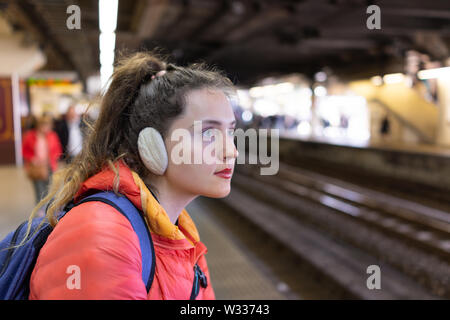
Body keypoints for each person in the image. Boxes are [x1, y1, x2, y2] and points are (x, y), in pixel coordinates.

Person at [27, 52, 238, 300]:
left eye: (231, 132)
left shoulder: (178, 229)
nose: (231, 152)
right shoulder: (102, 237)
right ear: (153, 145)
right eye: (208, 134)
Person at [22, 113, 63, 208]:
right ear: (39, 125)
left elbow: (58, 150)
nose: (45, 127)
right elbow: (24, 150)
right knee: (38, 189)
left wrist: (52, 159)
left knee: (47, 189)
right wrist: (32, 158)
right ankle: (39, 209)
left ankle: (44, 207)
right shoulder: (30, 136)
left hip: (49, 166)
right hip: (36, 167)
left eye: (47, 125)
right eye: (43, 125)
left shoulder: (52, 136)